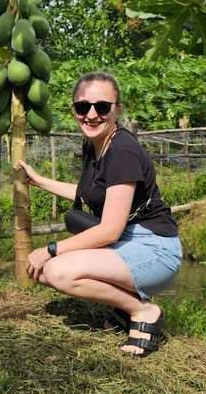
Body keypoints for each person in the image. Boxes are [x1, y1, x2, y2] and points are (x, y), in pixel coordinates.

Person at [18, 71, 182, 357]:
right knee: (43, 271)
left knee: (56, 269)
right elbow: (89, 194)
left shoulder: (121, 150)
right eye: (83, 107)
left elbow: (109, 230)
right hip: (130, 242)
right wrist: (39, 180)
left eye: (102, 107)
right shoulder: (95, 145)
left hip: (155, 250)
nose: (91, 114)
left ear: (117, 110)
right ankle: (125, 307)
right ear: (74, 110)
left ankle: (144, 311)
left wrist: (52, 248)